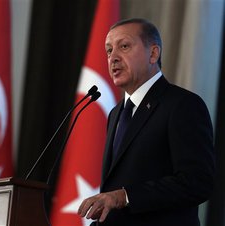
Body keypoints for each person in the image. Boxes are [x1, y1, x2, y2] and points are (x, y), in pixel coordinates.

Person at [77, 18, 215, 226]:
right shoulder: (116, 113)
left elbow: (197, 182)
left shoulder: (182, 105)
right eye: (108, 50)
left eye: (124, 46)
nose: (113, 57)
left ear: (153, 53)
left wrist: (123, 196)